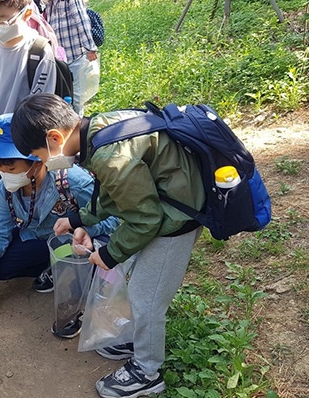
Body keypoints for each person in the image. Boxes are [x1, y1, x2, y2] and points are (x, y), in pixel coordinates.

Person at [10, 93, 205, 398]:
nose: (45, 162)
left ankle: (147, 371)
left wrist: (109, 254)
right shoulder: (98, 128)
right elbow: (119, 192)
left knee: (146, 296)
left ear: (54, 138)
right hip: (168, 200)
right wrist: (79, 219)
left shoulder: (110, 156)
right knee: (140, 280)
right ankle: (139, 341)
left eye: (41, 155)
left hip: (178, 217)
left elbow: (145, 220)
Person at [0, 113, 119, 338]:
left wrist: (85, 230)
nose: (5, 174)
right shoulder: (5, 188)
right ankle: (51, 268)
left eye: (11, 167)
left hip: (76, 241)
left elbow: (112, 217)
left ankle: (80, 294)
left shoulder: (70, 181)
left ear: (35, 161)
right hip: (39, 239)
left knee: (90, 255)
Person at [0, 0, 57, 212]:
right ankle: (2, 234)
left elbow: (40, 107)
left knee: (27, 195)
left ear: (27, 13)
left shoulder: (39, 51)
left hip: (22, 146)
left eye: (4, 20)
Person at [45, 0, 99, 116]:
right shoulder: (50, 4)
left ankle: (78, 124)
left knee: (76, 95)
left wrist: (90, 47)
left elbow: (82, 21)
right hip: (61, 58)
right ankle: (70, 121)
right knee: (66, 93)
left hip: (76, 54)